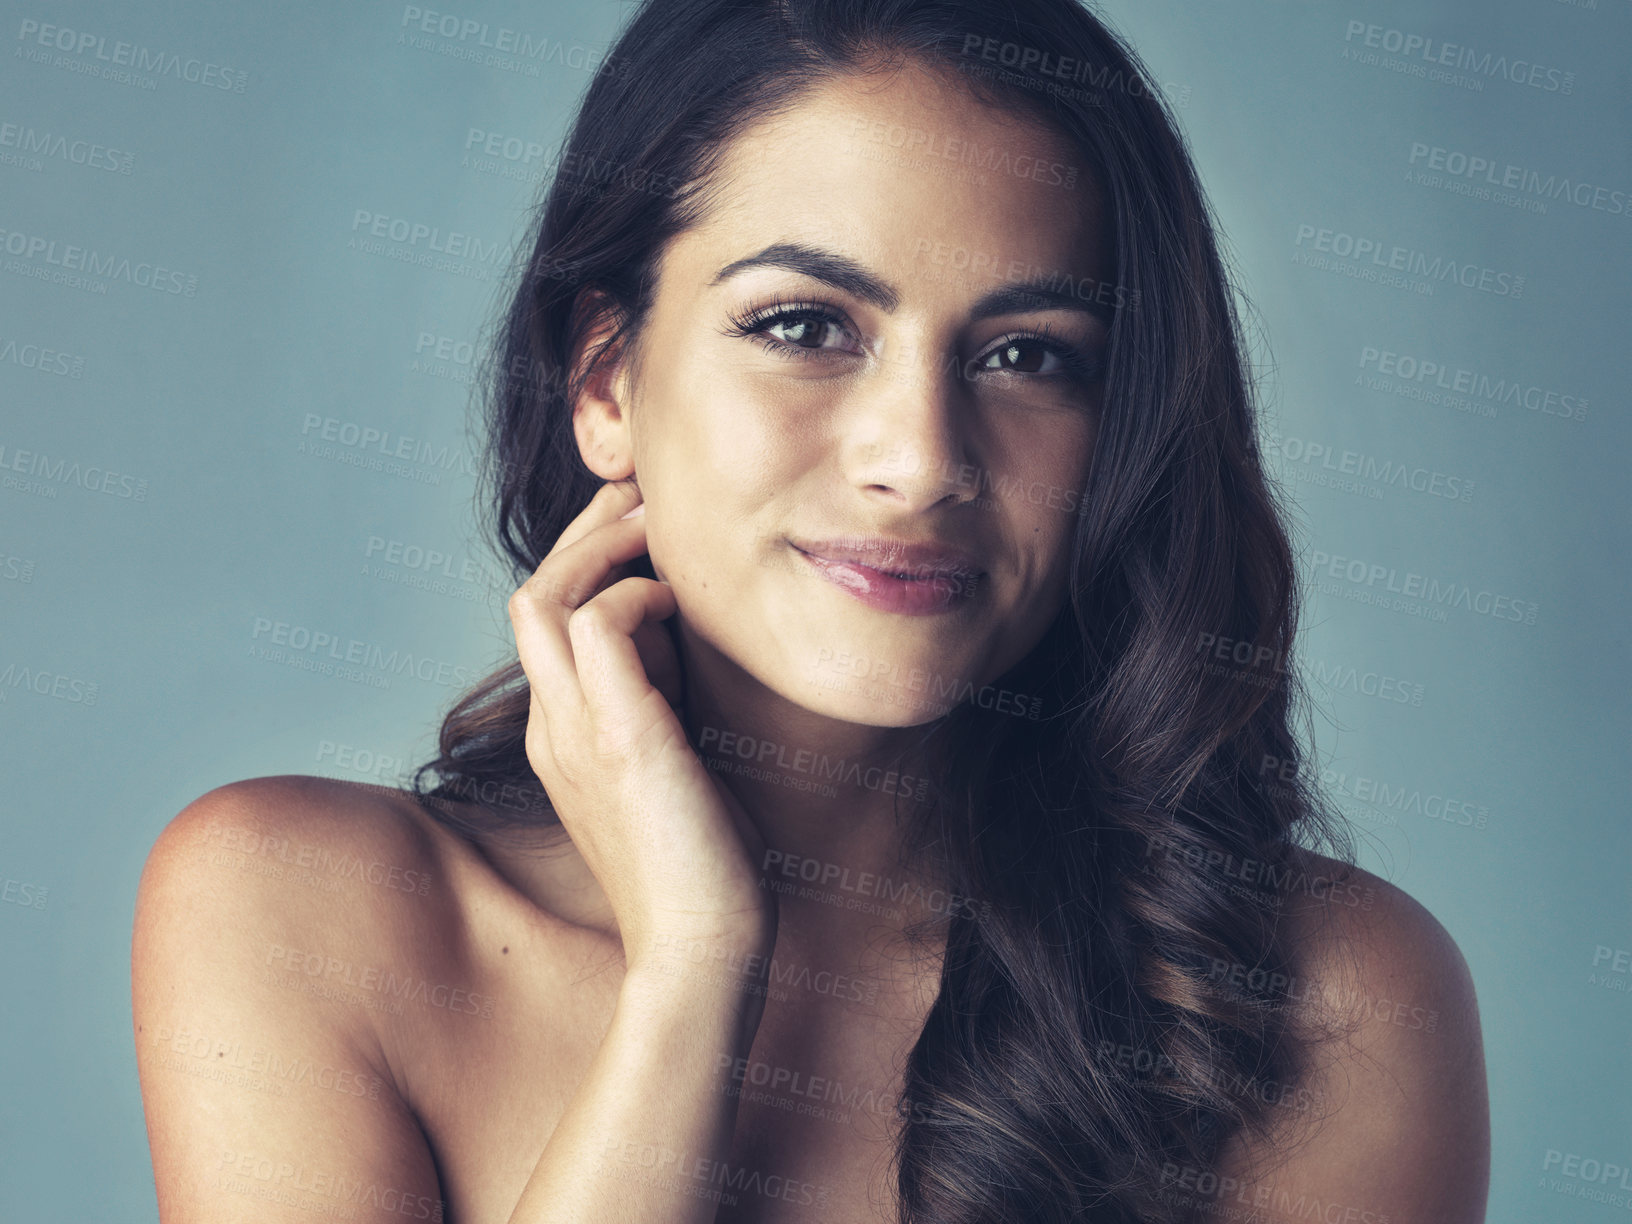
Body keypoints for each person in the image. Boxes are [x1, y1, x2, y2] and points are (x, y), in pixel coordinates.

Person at [132, 0, 1490, 1220]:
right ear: (604, 380)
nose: (920, 458)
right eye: (804, 324)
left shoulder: (1326, 1004)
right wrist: (694, 972)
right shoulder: (303, 908)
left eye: (1029, 356)